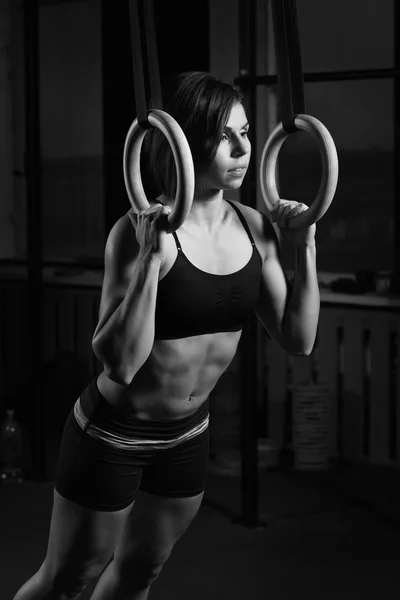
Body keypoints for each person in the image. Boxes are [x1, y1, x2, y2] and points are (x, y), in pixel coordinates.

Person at [13, 71, 319, 600]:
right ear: (186, 140)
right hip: (113, 435)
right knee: (67, 581)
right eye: (225, 135)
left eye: (247, 132)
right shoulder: (141, 232)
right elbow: (119, 363)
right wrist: (153, 259)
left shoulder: (255, 228)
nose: (243, 148)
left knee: (138, 576)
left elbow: (299, 339)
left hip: (185, 438)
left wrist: (306, 246)